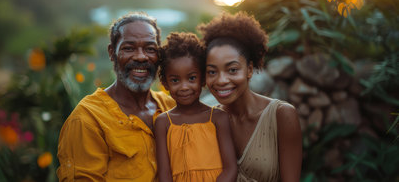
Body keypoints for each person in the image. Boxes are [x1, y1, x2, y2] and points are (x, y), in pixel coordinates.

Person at [57, 12, 176, 181]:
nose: (141, 57)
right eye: (129, 48)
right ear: (112, 53)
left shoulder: (170, 107)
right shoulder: (88, 119)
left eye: (150, 49)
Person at [197, 11, 302, 182]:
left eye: (232, 70)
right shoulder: (207, 121)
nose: (221, 80)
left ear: (250, 70)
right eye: (212, 72)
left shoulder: (281, 115)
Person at [154, 32, 237, 182]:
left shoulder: (218, 117)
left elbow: (231, 168)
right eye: (175, 80)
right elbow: (164, 175)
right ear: (165, 83)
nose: (184, 87)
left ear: (203, 79)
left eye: (192, 78)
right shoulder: (163, 122)